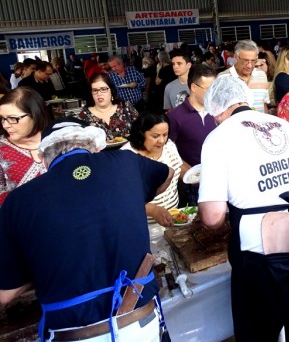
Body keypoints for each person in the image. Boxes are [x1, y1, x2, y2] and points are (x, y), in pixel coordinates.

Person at [0, 118, 174, 341]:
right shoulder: (127, 163)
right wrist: (138, 193)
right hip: (141, 324)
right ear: (94, 145)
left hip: (74, 334)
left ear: (44, 158)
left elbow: (5, 295)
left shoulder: (18, 201)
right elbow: (167, 173)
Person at [197, 76, 289, 342]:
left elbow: (212, 217)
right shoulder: (285, 126)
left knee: (258, 334)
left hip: (263, 253)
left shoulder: (217, 137)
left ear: (216, 110)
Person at [169, 64, 217, 204]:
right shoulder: (176, 116)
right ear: (194, 87)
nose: (213, 93)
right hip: (193, 185)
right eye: (209, 89)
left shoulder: (218, 111)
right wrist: (190, 174)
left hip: (219, 178)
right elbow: (168, 152)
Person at [122, 112, 182, 225]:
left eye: (165, 134)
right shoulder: (127, 156)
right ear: (141, 134)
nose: (162, 140)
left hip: (174, 219)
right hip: (143, 226)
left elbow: (178, 164)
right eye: (155, 136)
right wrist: (153, 210)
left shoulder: (169, 145)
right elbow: (124, 198)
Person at [0, 87, 50, 206]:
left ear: (34, 114)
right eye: (2, 119)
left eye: (13, 118)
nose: (5, 125)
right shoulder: (1, 150)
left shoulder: (60, 141)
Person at [78, 73, 139, 141]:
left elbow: (142, 132)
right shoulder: (84, 116)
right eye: (95, 90)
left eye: (103, 89)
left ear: (111, 91)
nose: (99, 93)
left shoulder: (126, 107)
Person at [217, 40, 269, 113]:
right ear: (235, 57)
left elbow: (264, 104)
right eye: (245, 61)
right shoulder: (223, 78)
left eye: (253, 61)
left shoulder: (261, 75)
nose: (249, 65)